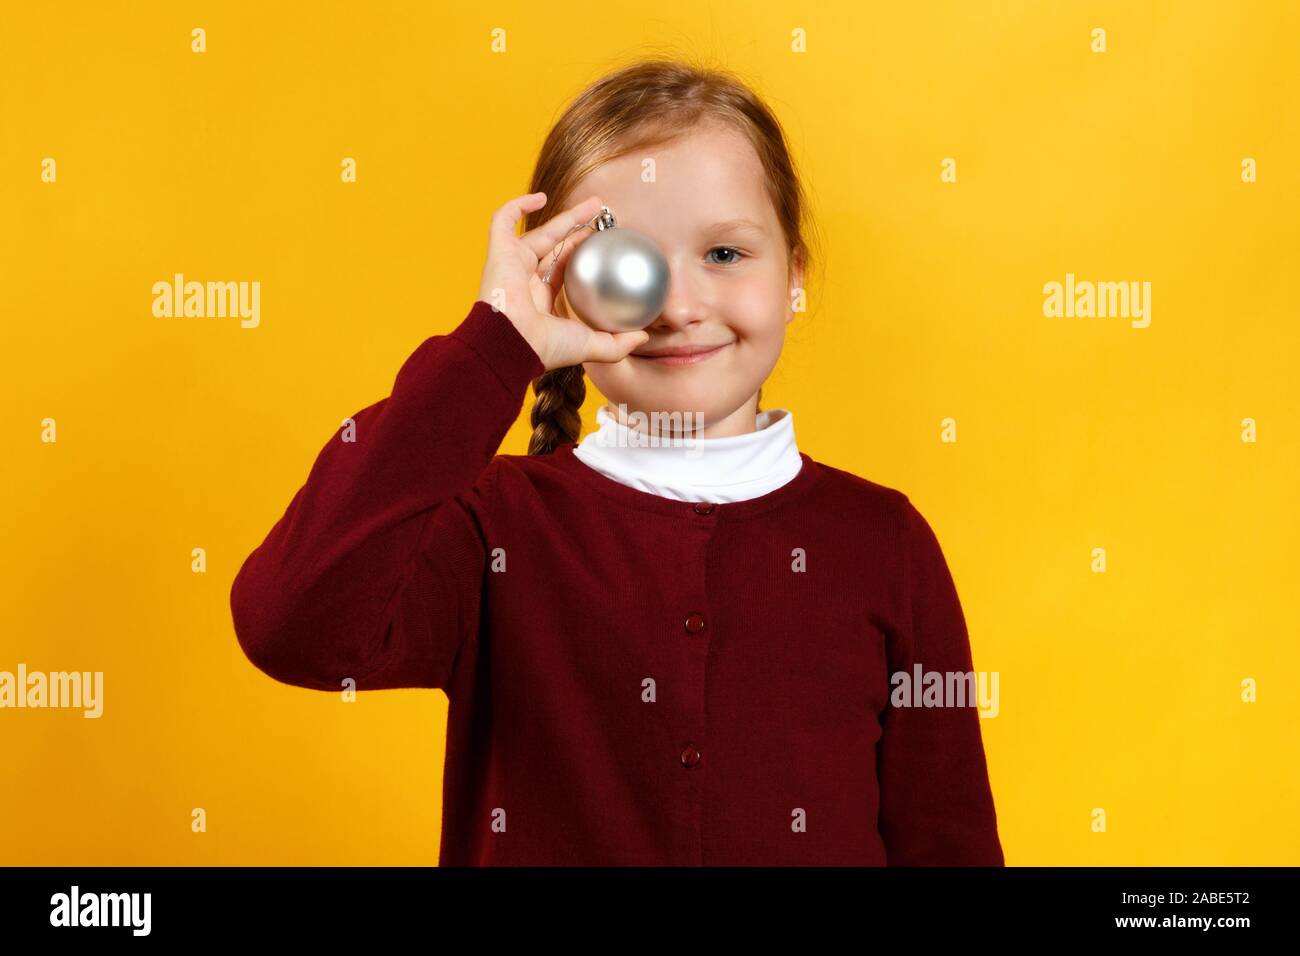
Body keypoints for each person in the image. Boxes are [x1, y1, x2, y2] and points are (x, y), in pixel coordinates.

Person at [230, 57, 1004, 866]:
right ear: (561, 289)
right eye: (627, 265)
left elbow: (947, 841)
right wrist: (492, 347)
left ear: (794, 275)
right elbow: (292, 625)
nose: (677, 307)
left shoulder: (884, 542)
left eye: (727, 255)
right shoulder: (493, 526)